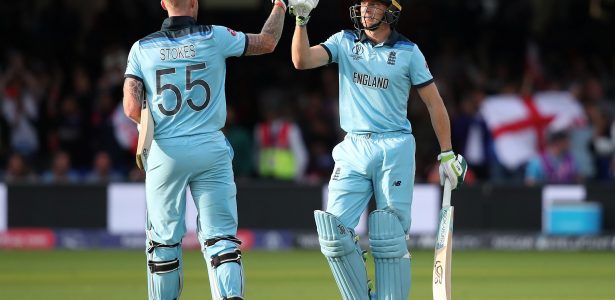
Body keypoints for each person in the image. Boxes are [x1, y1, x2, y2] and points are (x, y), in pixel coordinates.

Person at [288, 0, 467, 299]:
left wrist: (446, 153)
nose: (365, 10)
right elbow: (302, 60)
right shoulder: (343, 41)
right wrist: (301, 21)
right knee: (332, 234)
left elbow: (435, 104)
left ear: (390, 11)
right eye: (362, 4)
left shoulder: (409, 52)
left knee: (389, 235)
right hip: (353, 145)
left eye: (373, 5)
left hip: (394, 145)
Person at [122, 0, 287, 299]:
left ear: (163, 4)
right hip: (210, 147)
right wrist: (280, 6)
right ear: (195, 4)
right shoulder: (215, 35)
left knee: (164, 243)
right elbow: (268, 41)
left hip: (166, 151)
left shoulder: (141, 48)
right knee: (221, 238)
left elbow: (132, 107)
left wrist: (146, 127)